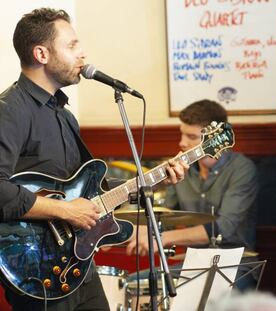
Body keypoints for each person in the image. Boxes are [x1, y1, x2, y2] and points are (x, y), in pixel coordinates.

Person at [0, 8, 187, 311]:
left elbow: (85, 193)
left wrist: (154, 177)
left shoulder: (64, 116)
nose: (82, 53)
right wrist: (64, 211)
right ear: (41, 53)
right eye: (72, 45)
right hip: (34, 267)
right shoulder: (10, 110)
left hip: (78, 267)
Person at [127, 99, 258, 290]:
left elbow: (225, 227)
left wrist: (161, 239)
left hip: (235, 264)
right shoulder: (182, 169)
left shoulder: (242, 169)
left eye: (191, 136)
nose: (182, 142)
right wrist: (127, 233)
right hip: (193, 263)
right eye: (182, 134)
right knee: (131, 284)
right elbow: (164, 214)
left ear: (214, 138)